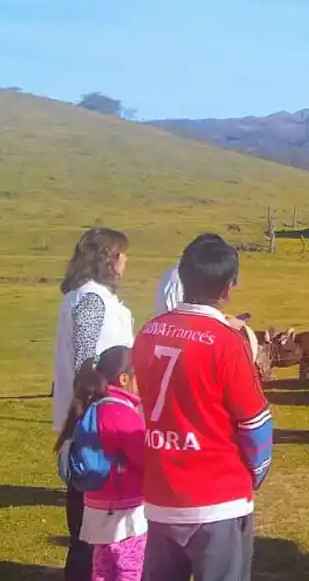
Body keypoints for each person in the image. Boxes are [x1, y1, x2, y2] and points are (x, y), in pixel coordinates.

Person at [134, 234, 273, 581]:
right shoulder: (226, 342)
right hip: (218, 499)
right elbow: (255, 423)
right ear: (229, 287)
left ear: (181, 277)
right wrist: (255, 474)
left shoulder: (148, 333)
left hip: (161, 495)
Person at [54, 227, 136, 581]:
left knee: (92, 523)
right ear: (108, 259)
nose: (126, 262)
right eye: (121, 254)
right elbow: (87, 363)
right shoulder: (91, 299)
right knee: (93, 526)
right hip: (97, 424)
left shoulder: (87, 297)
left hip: (95, 418)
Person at [55, 345, 147, 581]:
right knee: (129, 568)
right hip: (124, 510)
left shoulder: (93, 406)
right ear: (124, 378)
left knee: (103, 568)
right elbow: (144, 459)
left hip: (96, 505)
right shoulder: (122, 414)